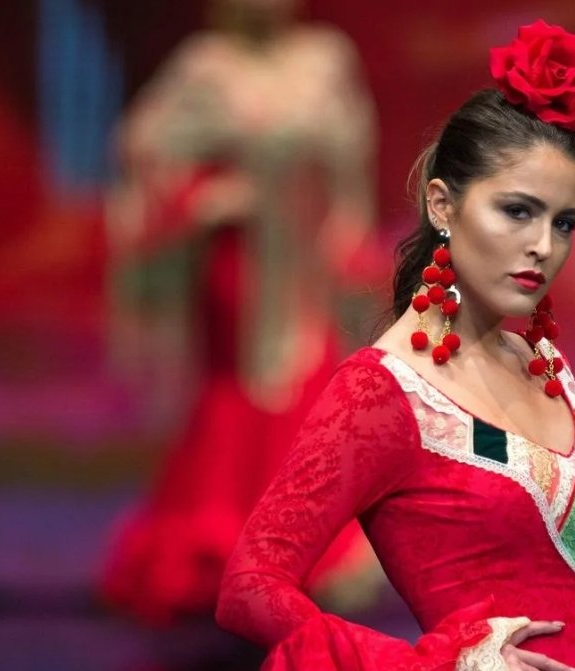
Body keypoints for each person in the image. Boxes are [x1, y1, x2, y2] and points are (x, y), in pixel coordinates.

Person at [216, 20, 575, 671]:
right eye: (517, 211)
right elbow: (250, 586)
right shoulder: (380, 394)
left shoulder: (545, 360)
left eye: (564, 223)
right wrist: (447, 663)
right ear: (442, 205)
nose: (544, 247)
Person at [100, 0, 379, 624]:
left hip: (310, 261)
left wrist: (344, 233)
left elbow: (351, 157)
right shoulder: (207, 66)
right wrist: (206, 197)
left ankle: (299, 555)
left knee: (309, 391)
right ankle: (222, 548)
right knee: (239, 391)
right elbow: (143, 145)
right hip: (242, 262)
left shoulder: (324, 59)